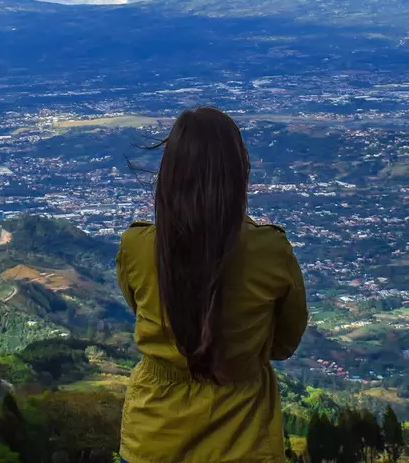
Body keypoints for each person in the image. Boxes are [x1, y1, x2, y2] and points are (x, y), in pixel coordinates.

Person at [117, 107, 309, 463]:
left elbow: (143, 309)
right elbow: (284, 343)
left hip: (152, 438)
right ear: (238, 173)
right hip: (244, 439)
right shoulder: (269, 251)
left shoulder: (137, 247)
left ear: (170, 173)